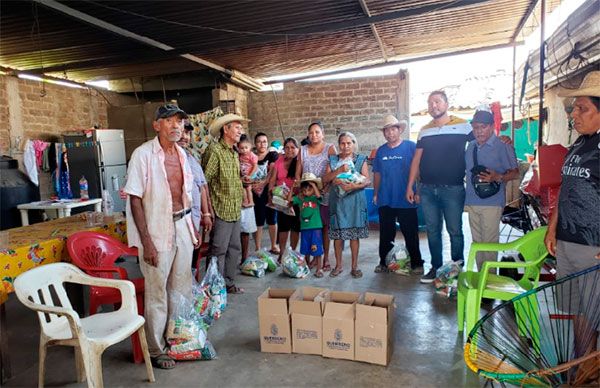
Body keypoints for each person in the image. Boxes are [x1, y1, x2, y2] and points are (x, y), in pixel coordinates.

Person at [124, 104, 198, 370]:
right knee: (157, 292)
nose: (176, 125)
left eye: (179, 120)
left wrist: (192, 226)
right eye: (169, 120)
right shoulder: (142, 155)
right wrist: (147, 242)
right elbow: (134, 199)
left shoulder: (182, 154)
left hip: (182, 226)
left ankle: (178, 339)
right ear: (156, 125)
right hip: (156, 231)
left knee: (181, 287)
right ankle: (156, 349)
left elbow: (185, 195)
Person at [544, 71, 600, 378]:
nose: (574, 114)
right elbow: (566, 188)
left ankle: (588, 373)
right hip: (567, 241)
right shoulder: (579, 145)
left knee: (594, 313)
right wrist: (553, 228)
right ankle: (582, 369)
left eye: (583, 109)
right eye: (574, 108)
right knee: (578, 310)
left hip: (593, 245)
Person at [406, 91, 473, 283]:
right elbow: (416, 160)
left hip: (453, 189)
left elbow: (480, 143)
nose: (433, 105)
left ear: (446, 103)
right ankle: (436, 268)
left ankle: (456, 270)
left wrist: (501, 140)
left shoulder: (462, 125)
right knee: (433, 231)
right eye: (430, 102)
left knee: (455, 230)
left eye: (437, 101)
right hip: (427, 189)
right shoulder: (424, 130)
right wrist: (410, 187)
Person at [464, 109, 519, 272]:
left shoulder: (503, 146)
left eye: (482, 127)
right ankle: (482, 277)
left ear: (491, 127)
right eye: (475, 128)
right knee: (478, 243)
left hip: (492, 202)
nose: (478, 131)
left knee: (490, 243)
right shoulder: (471, 147)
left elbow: (515, 173)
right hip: (473, 200)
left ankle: (490, 280)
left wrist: (498, 176)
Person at [202, 113, 249, 295]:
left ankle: (228, 284)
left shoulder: (233, 152)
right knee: (218, 250)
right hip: (220, 209)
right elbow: (204, 182)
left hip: (234, 208)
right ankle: (213, 288)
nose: (240, 131)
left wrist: (242, 181)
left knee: (234, 248)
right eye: (237, 127)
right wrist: (208, 211)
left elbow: (231, 177)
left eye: (240, 128)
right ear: (226, 129)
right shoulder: (214, 151)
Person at [373, 115, 424, 275]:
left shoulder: (410, 147)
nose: (390, 133)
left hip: (406, 198)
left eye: (393, 129)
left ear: (399, 130)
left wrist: (418, 191)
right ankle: (384, 262)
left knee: (410, 232)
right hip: (385, 198)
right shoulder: (381, 151)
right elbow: (377, 174)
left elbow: (418, 171)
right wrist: (375, 193)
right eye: (386, 130)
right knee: (386, 233)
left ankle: (417, 263)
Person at [323, 131, 370, 278]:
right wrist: (338, 173)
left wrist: (353, 186)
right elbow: (325, 179)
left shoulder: (360, 160)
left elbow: (367, 180)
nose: (346, 146)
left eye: (349, 143)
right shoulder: (332, 160)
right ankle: (338, 266)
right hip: (338, 202)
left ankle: (354, 267)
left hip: (355, 202)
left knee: (354, 236)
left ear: (353, 144)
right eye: (342, 143)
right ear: (339, 145)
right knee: (338, 236)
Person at [296, 121, 337, 271]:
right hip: (307, 195)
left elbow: (333, 168)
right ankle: (313, 257)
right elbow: (298, 171)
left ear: (323, 134)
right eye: (311, 132)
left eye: (317, 132)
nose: (314, 135)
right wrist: (299, 188)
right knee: (311, 227)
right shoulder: (303, 149)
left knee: (324, 227)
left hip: (324, 194)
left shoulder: (330, 148)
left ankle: (325, 258)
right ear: (308, 134)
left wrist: (324, 187)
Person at [179, 122, 213, 268]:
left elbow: (202, 187)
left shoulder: (191, 158)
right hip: (178, 223)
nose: (184, 137)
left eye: (187, 133)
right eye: (181, 132)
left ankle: (191, 288)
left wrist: (206, 214)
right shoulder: (165, 159)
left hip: (194, 219)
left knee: (192, 259)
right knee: (180, 263)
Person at [268, 137, 301, 263]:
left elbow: (299, 182)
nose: (290, 150)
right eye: (287, 147)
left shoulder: (299, 162)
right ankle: (282, 254)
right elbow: (272, 179)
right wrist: (270, 194)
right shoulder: (279, 160)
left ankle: (292, 253)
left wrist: (292, 197)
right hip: (281, 201)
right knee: (283, 227)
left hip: (295, 200)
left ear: (297, 149)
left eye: (293, 147)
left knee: (295, 227)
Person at [292, 173, 324, 277]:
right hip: (304, 228)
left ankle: (319, 269)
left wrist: (314, 185)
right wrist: (293, 187)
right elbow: (289, 200)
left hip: (316, 228)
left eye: (309, 190)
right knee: (305, 248)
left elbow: (319, 196)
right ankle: (307, 265)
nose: (306, 192)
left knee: (317, 248)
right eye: (304, 190)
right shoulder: (300, 200)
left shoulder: (316, 199)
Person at [252, 132, 279, 254]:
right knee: (258, 219)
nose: (262, 144)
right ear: (255, 144)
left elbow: (272, 171)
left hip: (269, 191)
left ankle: (274, 245)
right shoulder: (251, 156)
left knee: (272, 218)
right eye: (259, 141)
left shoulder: (272, 155)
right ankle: (257, 248)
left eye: (264, 141)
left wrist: (263, 183)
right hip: (255, 192)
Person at [238, 135, 258, 207]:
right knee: (243, 189)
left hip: (249, 175)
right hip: (243, 176)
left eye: (246, 148)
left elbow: (255, 166)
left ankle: (251, 201)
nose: (244, 150)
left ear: (250, 147)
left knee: (248, 189)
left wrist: (250, 175)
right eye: (242, 148)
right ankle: (246, 201)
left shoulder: (252, 155)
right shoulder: (240, 156)